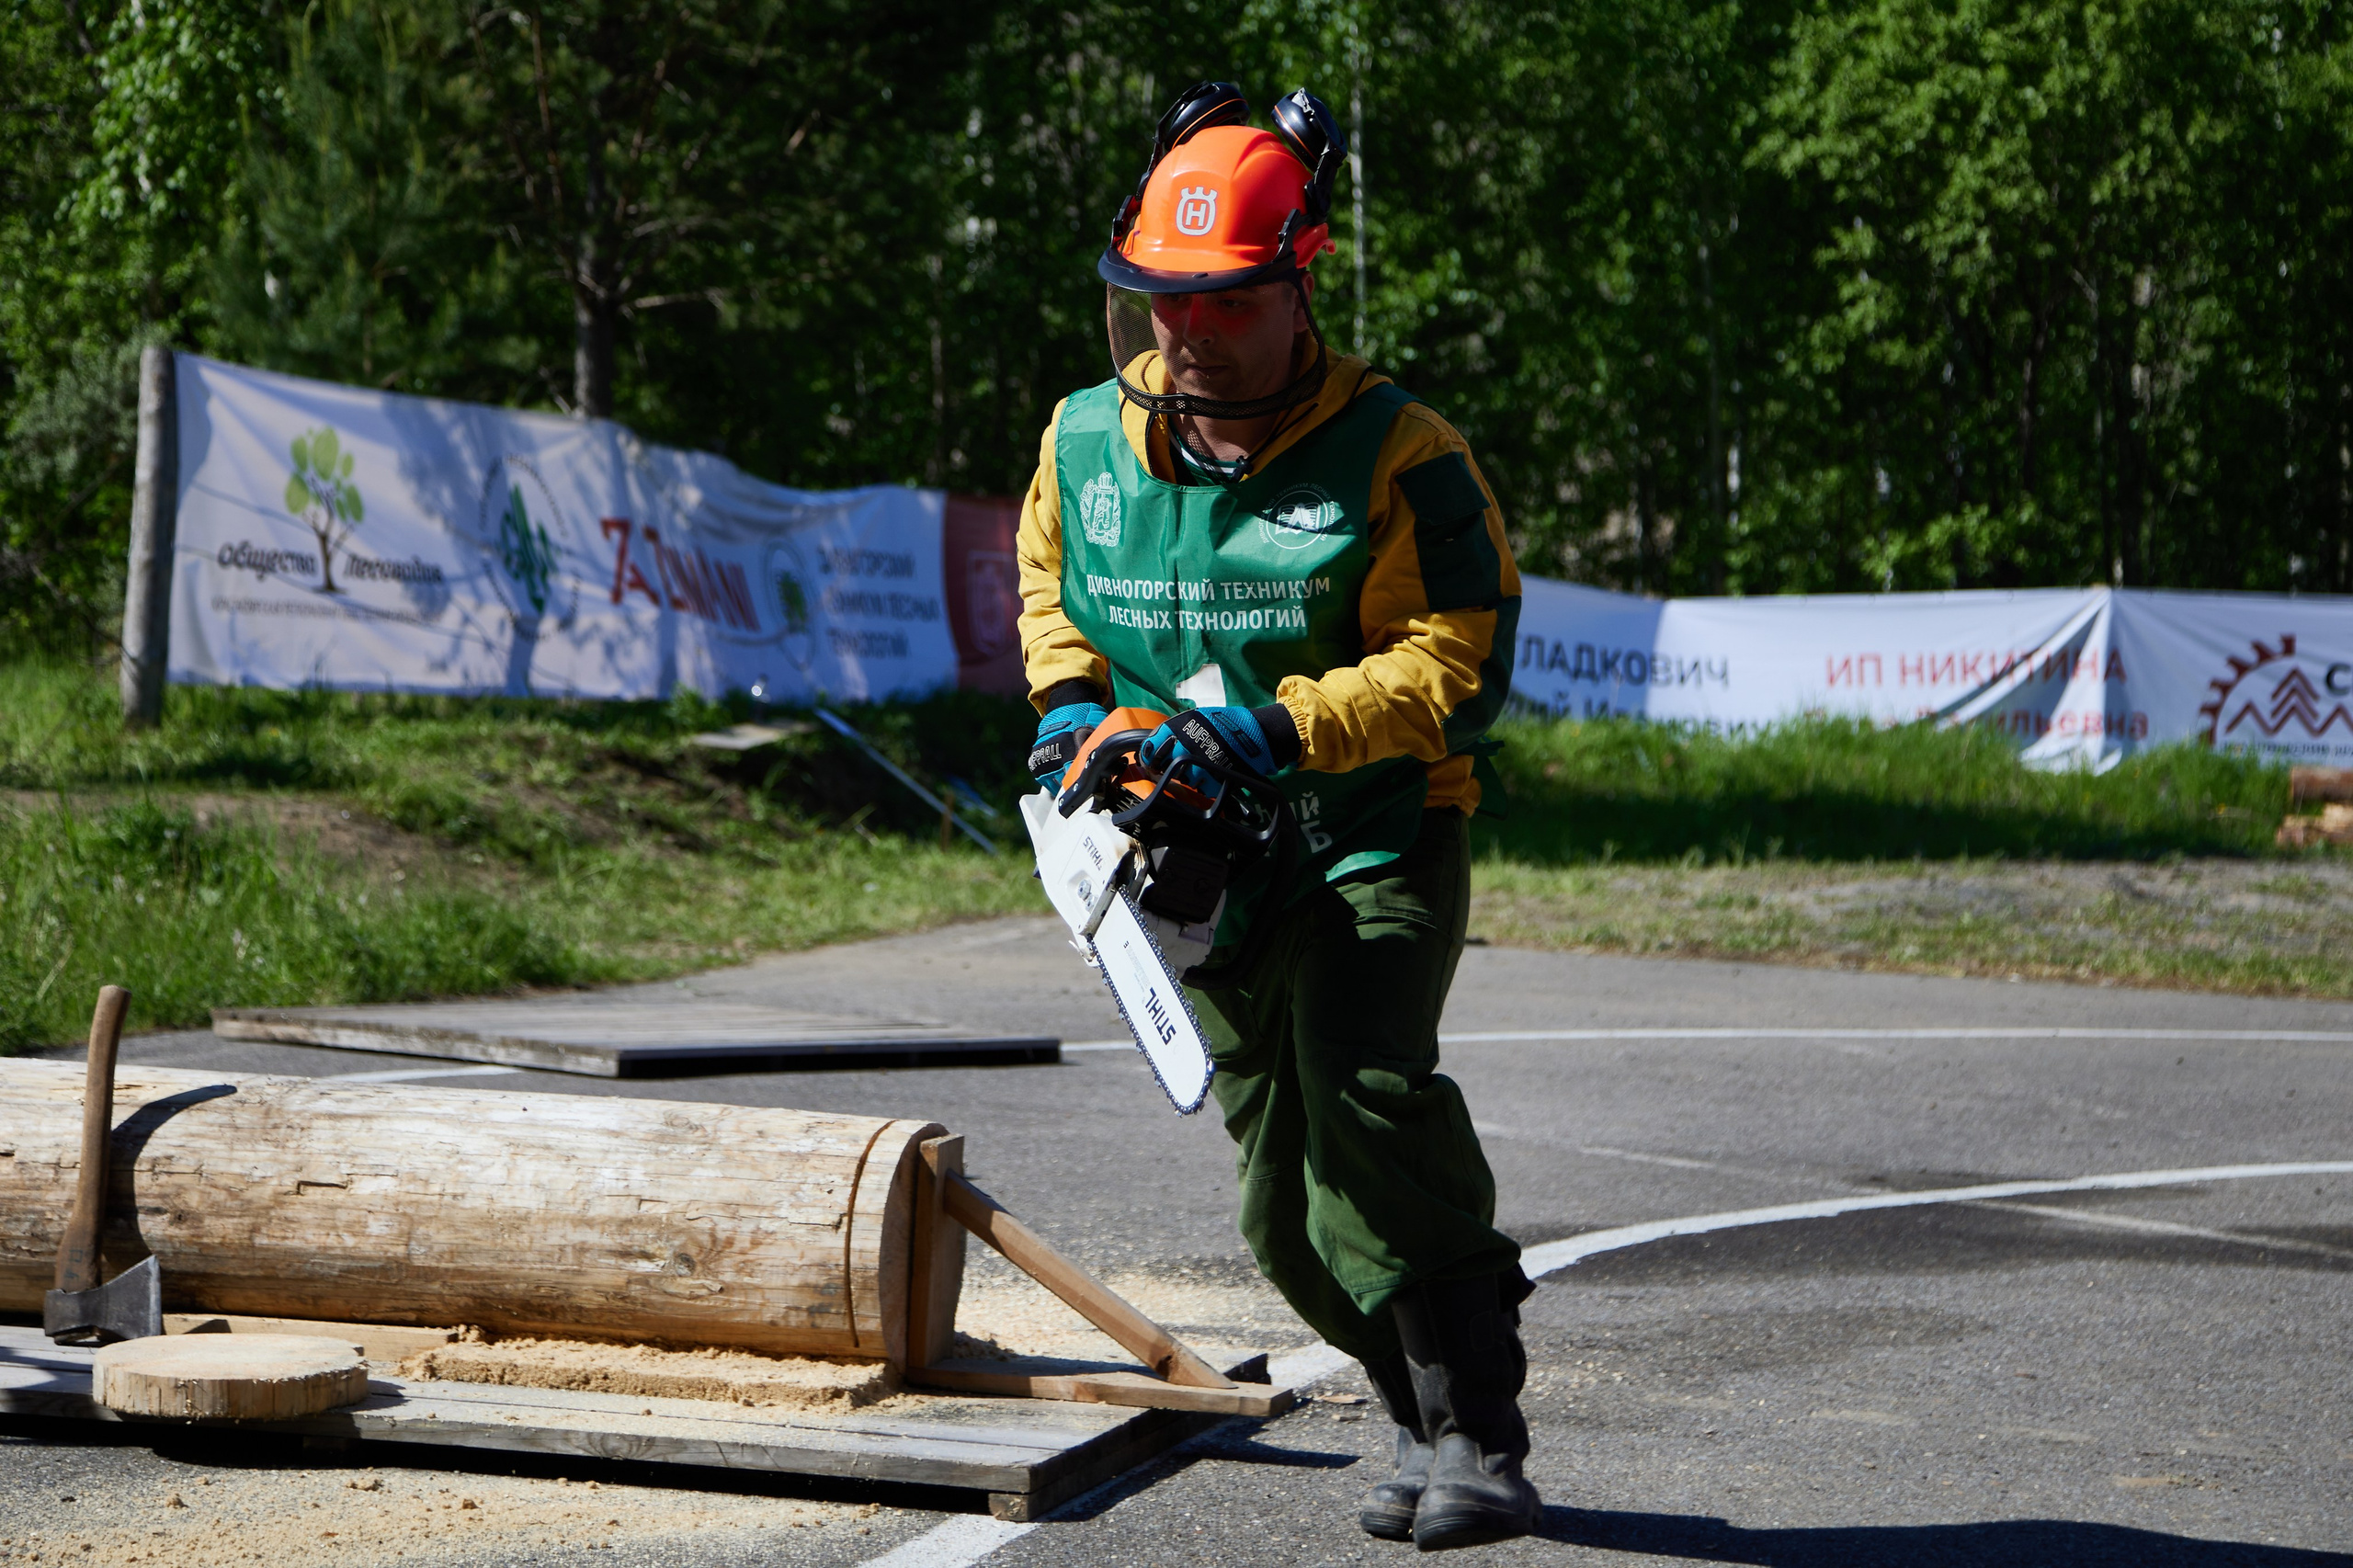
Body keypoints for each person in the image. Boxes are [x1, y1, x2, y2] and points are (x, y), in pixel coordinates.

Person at [1013, 81, 1539, 1551]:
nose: (1189, 332)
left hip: (1373, 831)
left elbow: (1459, 661)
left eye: (1228, 301)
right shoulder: (1085, 440)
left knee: (1364, 1103)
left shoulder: (1401, 451)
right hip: (1203, 867)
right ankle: (1418, 1414)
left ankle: (1482, 1434)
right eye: (1164, 300)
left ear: (1301, 284)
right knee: (1281, 1215)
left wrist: (1283, 727)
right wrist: (1066, 706)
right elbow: (1051, 587)